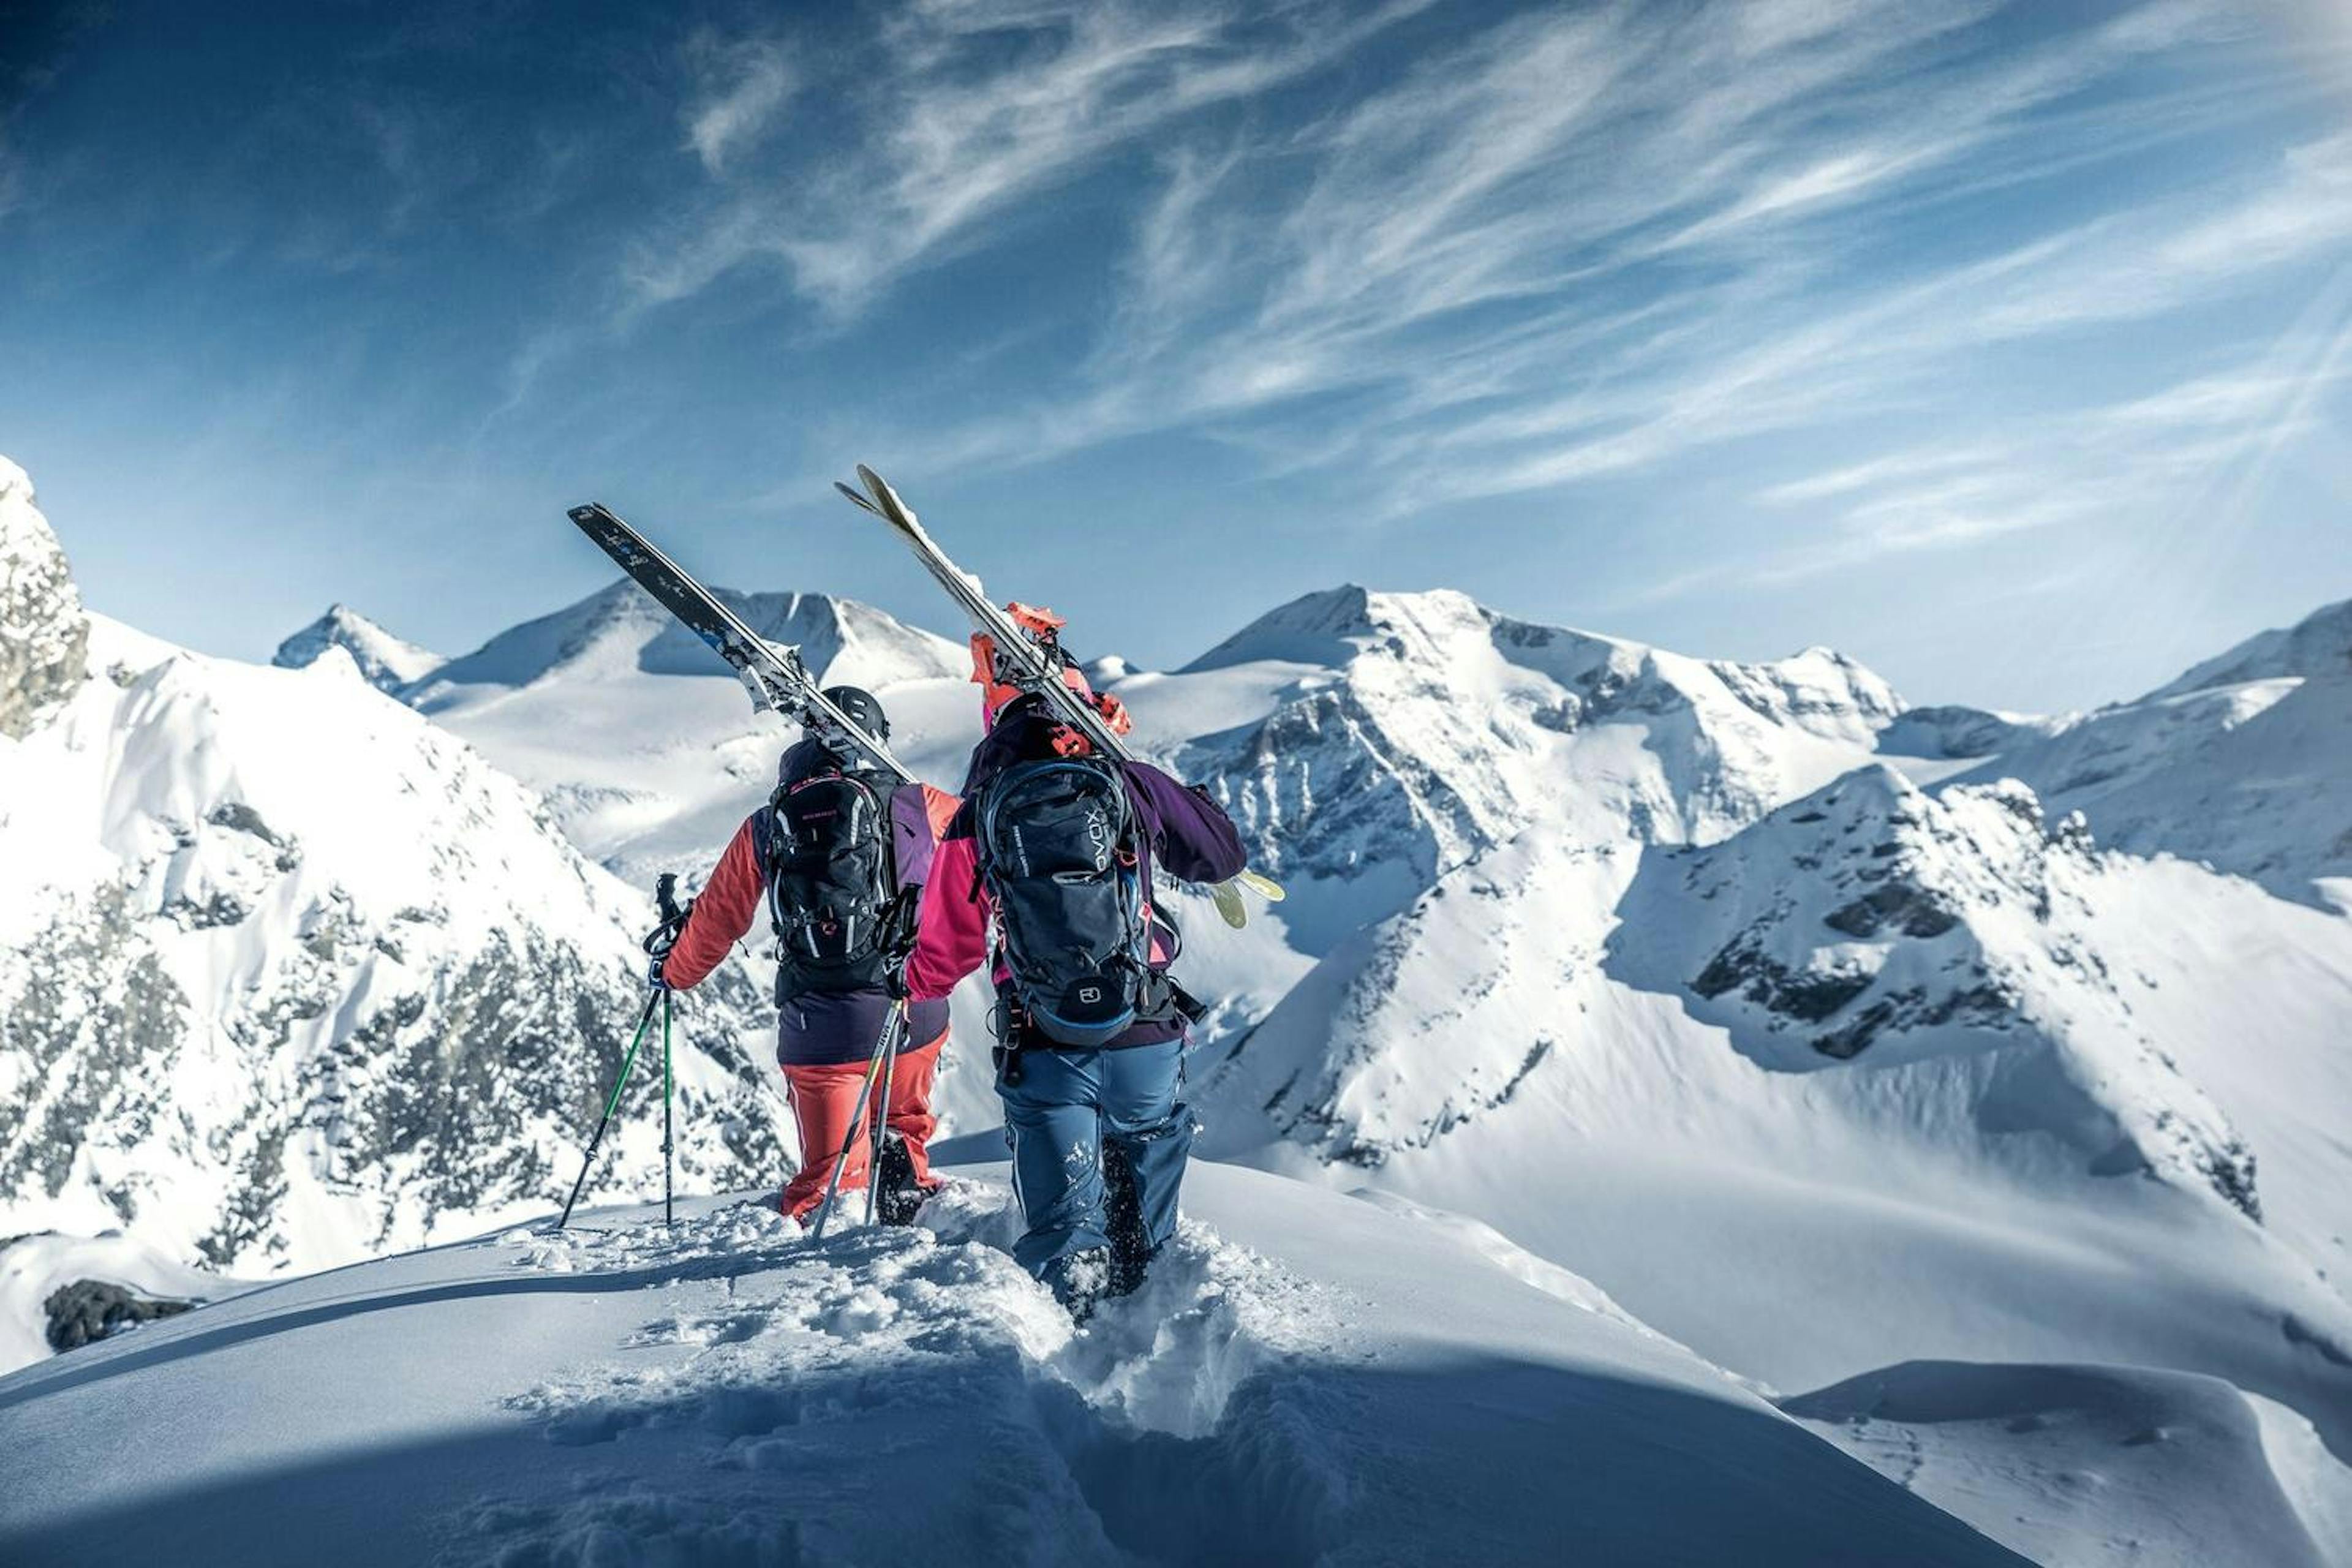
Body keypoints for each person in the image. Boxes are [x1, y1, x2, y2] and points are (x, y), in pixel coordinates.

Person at [906, 653, 1246, 1317]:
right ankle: (1151, 1325)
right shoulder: (1128, 781)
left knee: (1065, 1233)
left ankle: (1064, 1363)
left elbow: (944, 953)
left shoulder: (982, 811)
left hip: (1046, 1043)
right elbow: (1222, 855)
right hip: (1144, 1034)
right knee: (1146, 1220)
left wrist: (908, 979)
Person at [656, 687, 959, 1224]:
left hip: (824, 1027)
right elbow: (993, 869)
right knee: (905, 1124)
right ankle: (909, 1213)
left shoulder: (770, 823)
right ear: (879, 739)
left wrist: (673, 973)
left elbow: (717, 921)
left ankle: (831, 1279)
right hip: (916, 1011)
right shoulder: (925, 805)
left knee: (830, 1183)